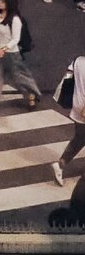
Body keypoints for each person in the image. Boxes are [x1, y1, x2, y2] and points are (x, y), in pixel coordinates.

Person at [0, 0, 40, 117]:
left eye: (2, 1)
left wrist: (3, 49)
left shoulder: (15, 20)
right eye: (0, 0)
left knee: (19, 77)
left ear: (9, 3)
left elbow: (16, 39)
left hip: (11, 54)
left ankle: (31, 93)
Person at [53, 53, 85, 185]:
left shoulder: (78, 61)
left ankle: (61, 163)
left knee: (80, 138)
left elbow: (68, 78)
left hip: (77, 106)